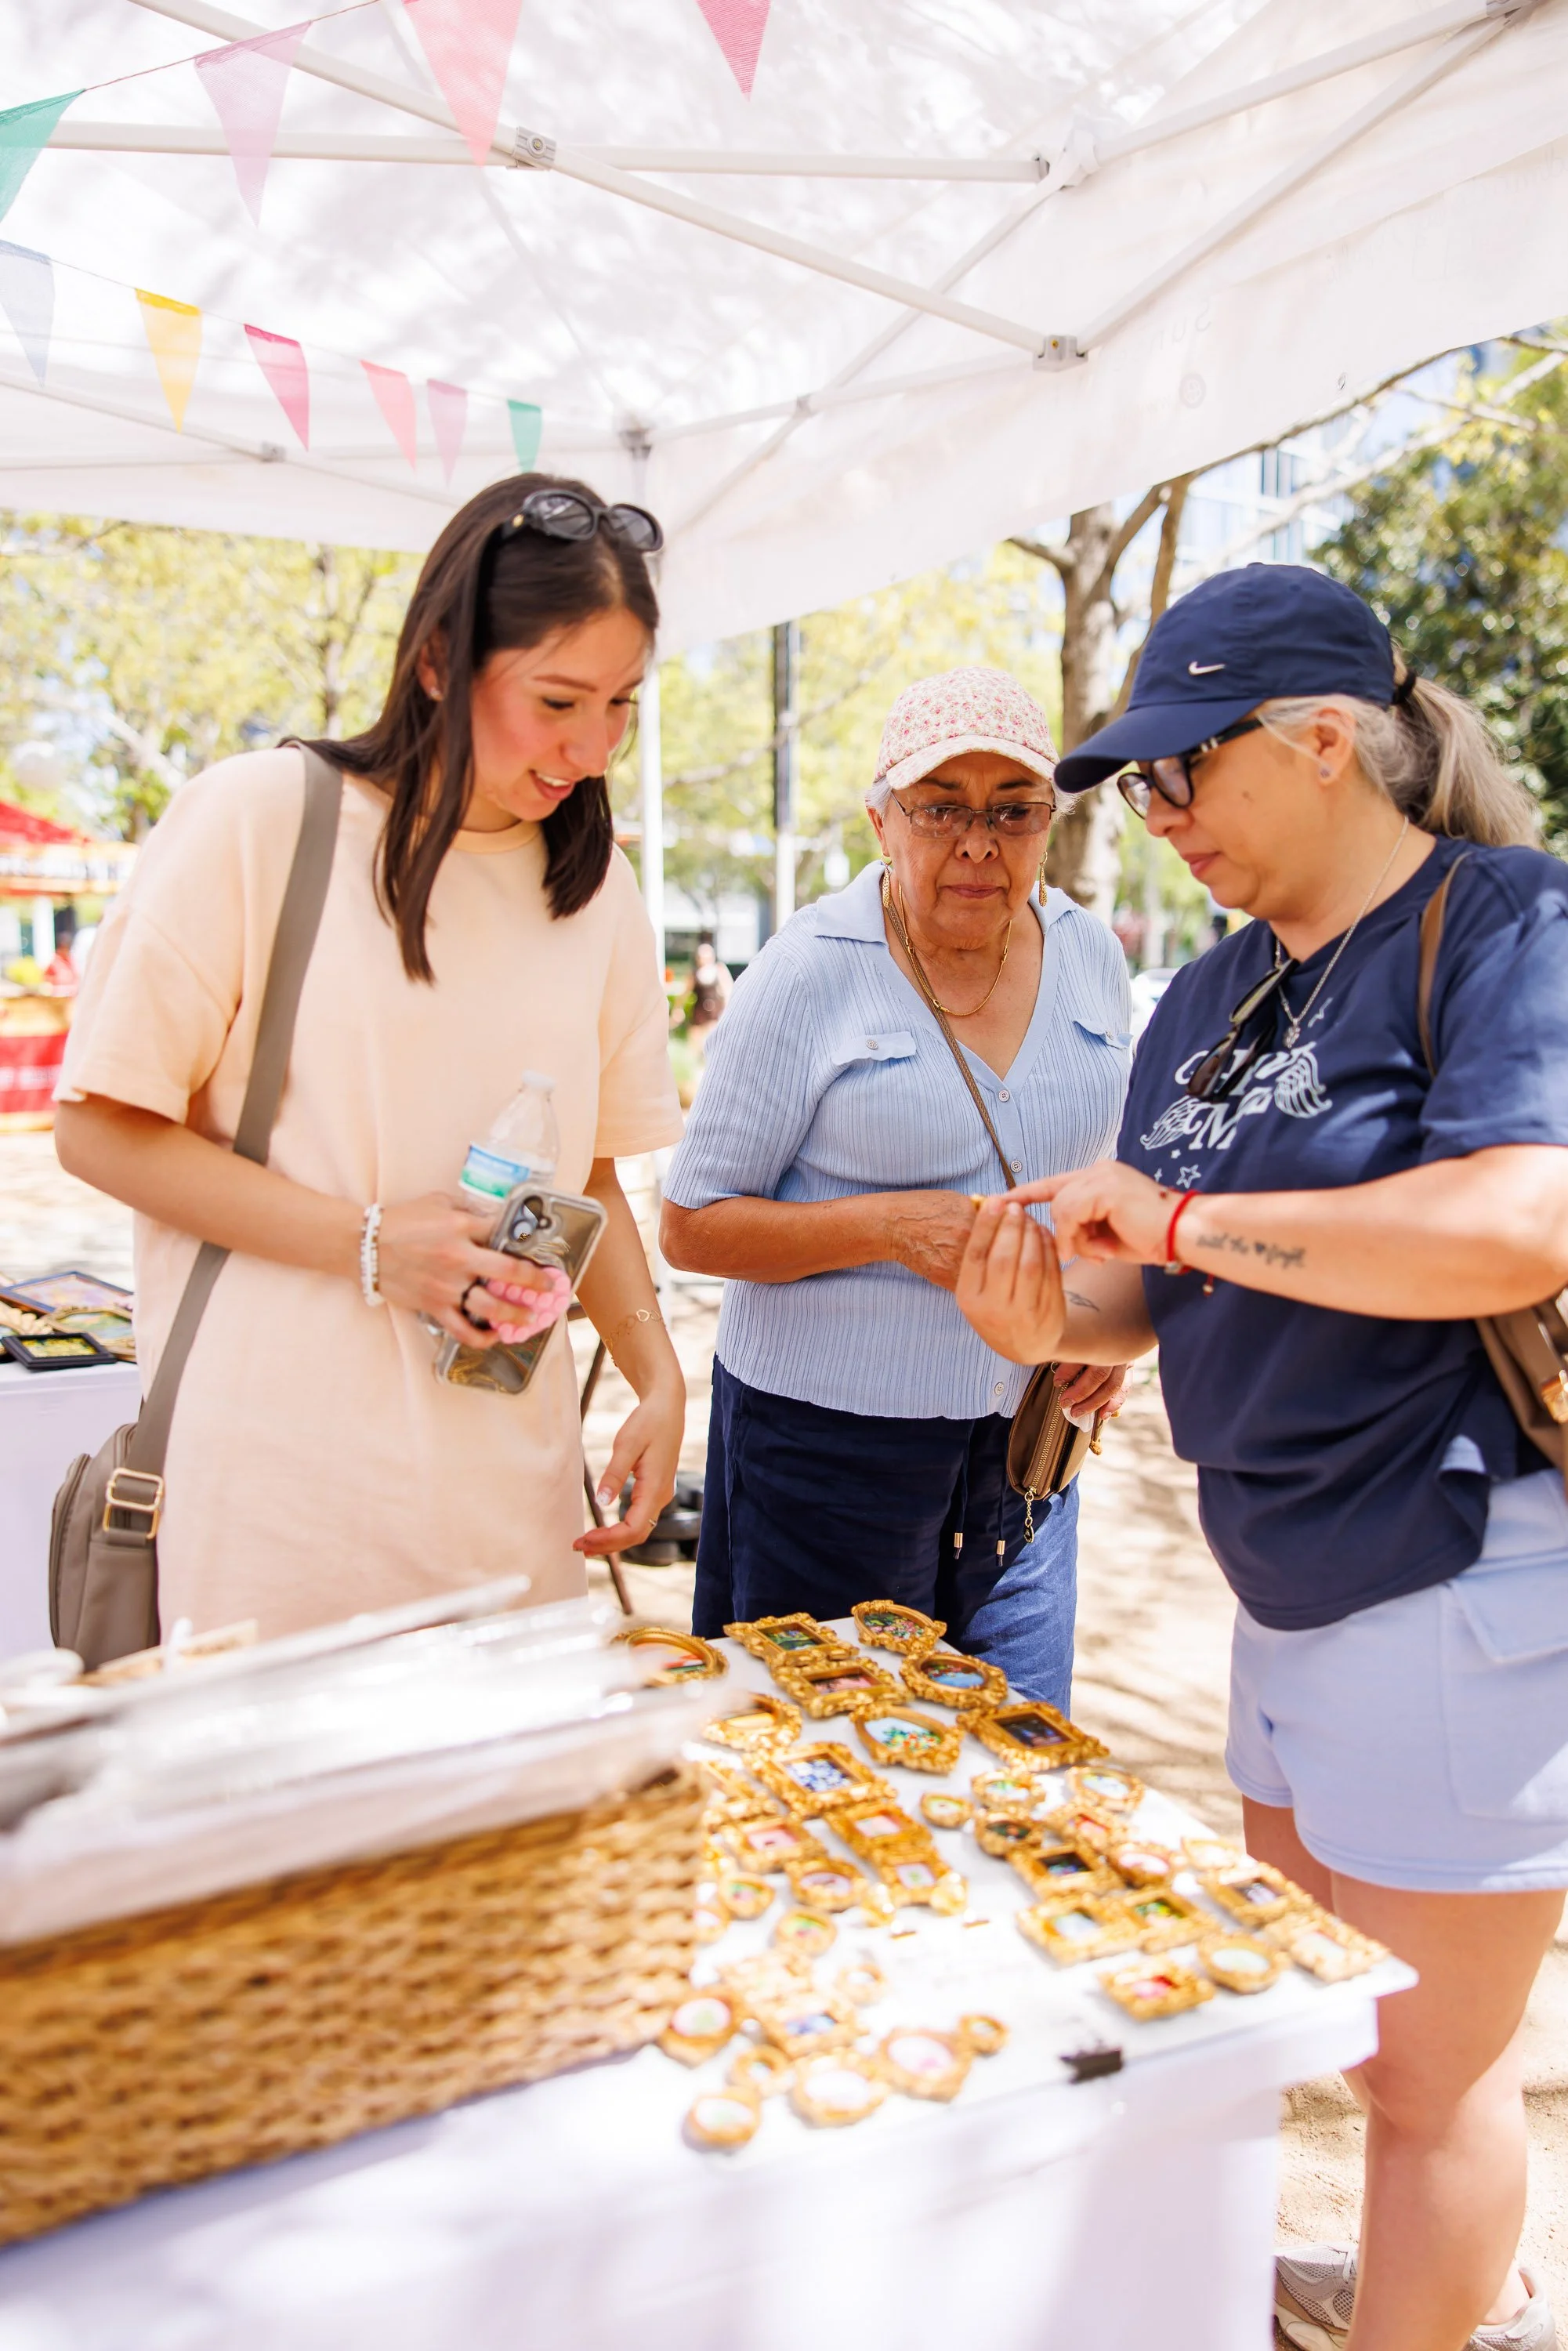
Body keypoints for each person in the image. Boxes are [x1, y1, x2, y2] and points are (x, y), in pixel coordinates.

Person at [954, 565, 1568, 2351]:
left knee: (1418, 2083)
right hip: (1278, 1587)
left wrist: (1186, 1221)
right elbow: (1155, 1284)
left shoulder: (1501, 919)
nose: (1151, 819)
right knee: (1306, 2024)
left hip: (1448, 1578)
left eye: (1177, 771)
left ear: (1317, 740)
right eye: (1130, 787)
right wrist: (1044, 1314)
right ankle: (1394, 2294)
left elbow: (1512, 1228)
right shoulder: (1208, 992)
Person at [55, 474, 686, 1642]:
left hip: (513, 1521)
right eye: (557, 701)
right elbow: (98, 1126)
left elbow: (585, 1183)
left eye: (621, 706)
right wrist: (370, 1244)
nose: (592, 749)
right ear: (440, 662)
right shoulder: (261, 819)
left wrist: (656, 1378)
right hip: (278, 1515)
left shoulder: (598, 891)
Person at [660, 667, 1131, 1708]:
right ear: (882, 822)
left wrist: (1102, 1328)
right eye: (941, 810)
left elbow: (1104, 1184)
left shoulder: (1091, 957)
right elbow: (691, 1228)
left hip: (1025, 1450)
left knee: (1017, 1768)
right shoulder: (810, 971)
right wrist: (890, 1228)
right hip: (825, 1455)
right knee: (828, 1766)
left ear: (1047, 822)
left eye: (1012, 811)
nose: (977, 844)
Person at [686, 934, 732, 1060]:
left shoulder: (719, 970)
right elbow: (686, 993)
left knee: (714, 1045)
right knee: (697, 1045)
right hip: (700, 1013)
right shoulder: (694, 974)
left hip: (715, 1013)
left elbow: (728, 990)